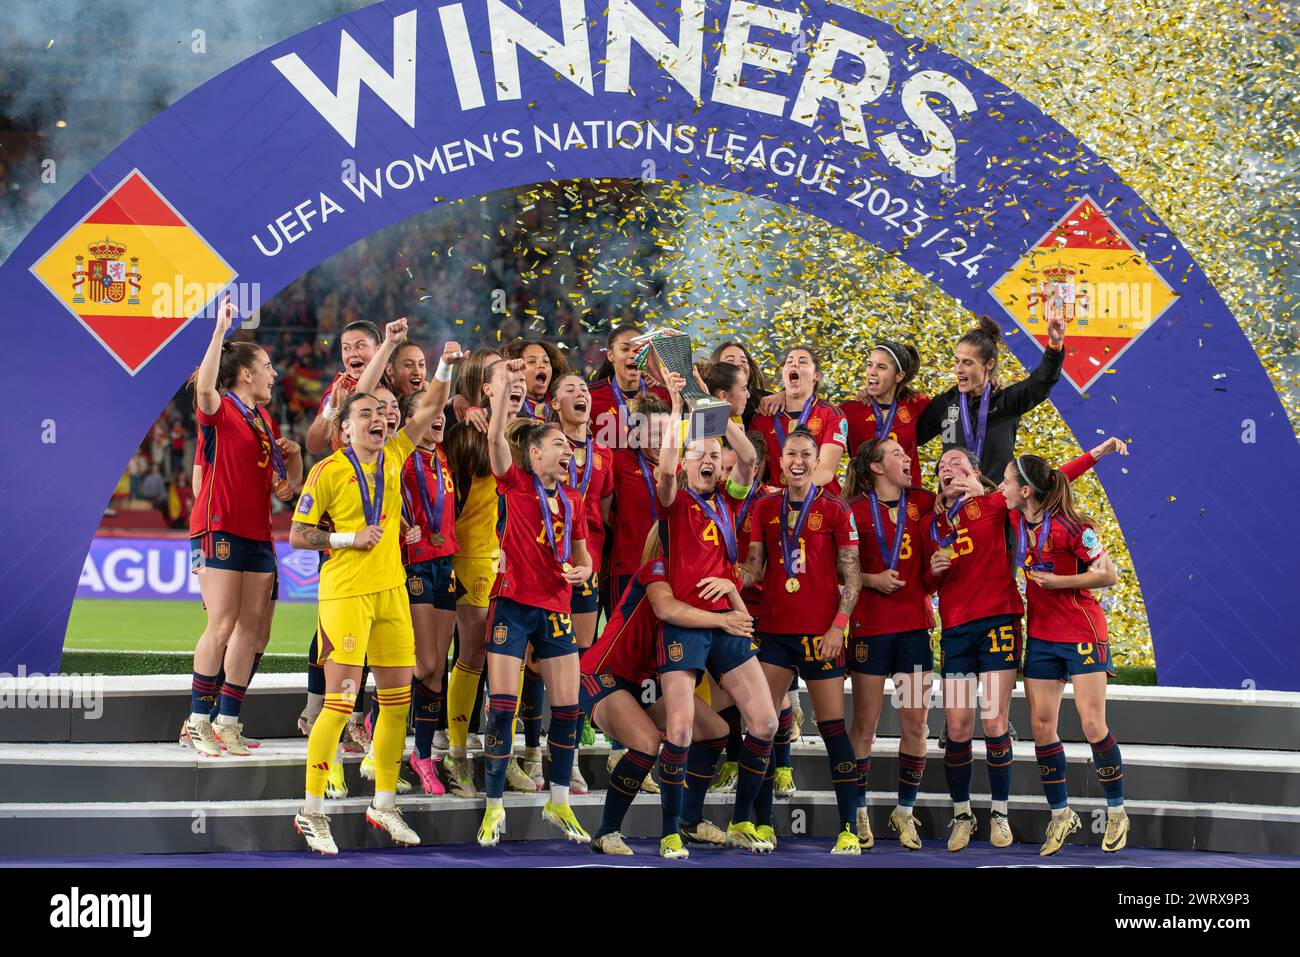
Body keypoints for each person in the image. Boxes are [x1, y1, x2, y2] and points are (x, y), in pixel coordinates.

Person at [288, 340, 459, 854]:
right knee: (339, 707)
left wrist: (447, 364)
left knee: (396, 705)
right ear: (346, 429)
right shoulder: (328, 471)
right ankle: (311, 811)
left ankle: (383, 804)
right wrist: (345, 538)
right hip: (345, 596)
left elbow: (430, 406)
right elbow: (299, 535)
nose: (379, 419)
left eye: (383, 414)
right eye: (366, 414)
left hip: (391, 596)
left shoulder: (394, 455)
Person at [926, 437, 1126, 851]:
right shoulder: (936, 521)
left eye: (957, 461)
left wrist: (1095, 454)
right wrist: (933, 569)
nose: (948, 467)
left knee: (1063, 724)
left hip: (1030, 626)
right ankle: (1019, 815)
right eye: (941, 465)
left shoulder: (1012, 508)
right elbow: (924, 581)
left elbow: (1052, 480)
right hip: (993, 634)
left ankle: (1112, 812)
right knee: (1005, 727)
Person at [653, 370, 778, 856]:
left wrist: (713, 408)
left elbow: (747, 455)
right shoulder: (674, 502)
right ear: (686, 465)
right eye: (698, 456)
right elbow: (664, 469)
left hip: (727, 619)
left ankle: (743, 820)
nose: (708, 461)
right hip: (685, 623)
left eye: (712, 457)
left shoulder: (730, 498)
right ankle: (670, 831)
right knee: (682, 730)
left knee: (765, 724)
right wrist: (680, 408)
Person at [476, 359, 594, 847]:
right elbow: (495, 441)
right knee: (503, 707)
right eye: (559, 446)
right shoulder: (516, 485)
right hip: (512, 604)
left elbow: (584, 557)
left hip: (557, 608)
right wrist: (502, 390)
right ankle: (493, 806)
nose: (568, 452)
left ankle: (559, 801)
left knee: (566, 710)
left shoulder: (574, 500)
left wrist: (582, 571)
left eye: (568, 447)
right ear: (535, 452)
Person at [184, 297, 302, 758]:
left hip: (258, 533)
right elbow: (205, 389)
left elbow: (285, 492)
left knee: (251, 632)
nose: (274, 373)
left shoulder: (264, 420)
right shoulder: (221, 409)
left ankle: (228, 722)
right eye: (267, 366)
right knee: (222, 624)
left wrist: (292, 463)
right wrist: (219, 332)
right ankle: (197, 722)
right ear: (247, 374)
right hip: (219, 528)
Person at [738, 426, 864, 855]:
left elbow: (853, 575)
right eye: (791, 452)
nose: (798, 461)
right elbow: (755, 568)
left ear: (816, 461)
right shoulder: (765, 506)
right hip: (774, 631)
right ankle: (761, 823)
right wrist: (725, 574)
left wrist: (838, 625)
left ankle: (849, 826)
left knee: (833, 730)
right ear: (780, 458)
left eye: (807, 454)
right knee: (763, 727)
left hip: (820, 636)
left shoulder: (835, 508)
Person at [997, 450, 1127, 855]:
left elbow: (1109, 573)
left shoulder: (1073, 528)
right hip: (1041, 636)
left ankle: (1118, 811)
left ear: (1025, 491)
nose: (1000, 488)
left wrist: (1060, 582)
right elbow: (1056, 473)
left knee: (1092, 725)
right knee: (1041, 727)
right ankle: (1061, 815)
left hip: (1082, 631)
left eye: (1005, 482)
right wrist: (1094, 453)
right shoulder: (1017, 517)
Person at [582, 558, 751, 858]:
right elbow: (665, 609)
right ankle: (606, 832)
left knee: (716, 731)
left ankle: (690, 821)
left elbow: (746, 625)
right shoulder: (656, 568)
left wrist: (731, 590)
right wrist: (722, 620)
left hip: (645, 683)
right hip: (604, 673)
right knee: (646, 743)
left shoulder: (698, 586)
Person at [441, 352, 537, 797]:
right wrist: (462, 406)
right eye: (506, 373)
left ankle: (505, 752)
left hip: (520, 564)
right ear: (485, 388)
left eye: (519, 372)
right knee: (474, 655)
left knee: (510, 661)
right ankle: (456, 754)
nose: (518, 377)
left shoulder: (533, 435)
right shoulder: (468, 434)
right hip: (475, 559)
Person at [842, 437, 937, 850]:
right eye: (897, 454)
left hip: (914, 631)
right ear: (877, 468)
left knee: (916, 723)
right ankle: (858, 811)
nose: (907, 458)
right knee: (865, 724)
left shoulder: (925, 503)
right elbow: (835, 572)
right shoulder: (854, 510)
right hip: (870, 629)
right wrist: (870, 580)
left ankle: (905, 811)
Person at [916, 315, 1067, 482]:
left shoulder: (1006, 402)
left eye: (967, 362)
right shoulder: (945, 403)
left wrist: (1054, 346)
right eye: (956, 361)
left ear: (989, 365)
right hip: (954, 503)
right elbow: (912, 437)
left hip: (994, 502)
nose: (958, 369)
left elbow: (1040, 383)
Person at [398, 388, 459, 796]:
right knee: (424, 665)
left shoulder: (444, 458)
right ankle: (376, 721)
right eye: (427, 411)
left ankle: (422, 755)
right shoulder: (398, 457)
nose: (437, 417)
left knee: (438, 669)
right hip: (416, 563)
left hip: (446, 563)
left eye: (439, 411)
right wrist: (403, 528)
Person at [750, 347, 848, 493]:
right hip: (776, 506)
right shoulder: (763, 418)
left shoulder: (831, 414)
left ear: (816, 376)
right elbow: (756, 471)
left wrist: (787, 493)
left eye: (802, 361)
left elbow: (826, 470)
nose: (794, 364)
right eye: (789, 362)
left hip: (822, 504)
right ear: (783, 374)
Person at [840, 340, 930, 476]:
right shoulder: (849, 410)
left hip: (908, 494)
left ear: (899, 376)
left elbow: (953, 408)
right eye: (870, 365)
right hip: (863, 494)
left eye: (881, 367)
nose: (872, 372)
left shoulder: (915, 404)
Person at [305, 320, 382, 455]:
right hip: (353, 471)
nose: (352, 354)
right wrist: (332, 408)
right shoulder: (341, 387)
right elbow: (313, 446)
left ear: (379, 349)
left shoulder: (393, 376)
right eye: (346, 348)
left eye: (360, 346)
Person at [710, 340, 770, 428]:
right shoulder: (700, 404)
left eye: (744, 361)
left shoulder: (763, 399)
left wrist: (783, 395)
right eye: (730, 360)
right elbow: (699, 437)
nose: (739, 364)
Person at [504, 337, 567, 420]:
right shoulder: (506, 405)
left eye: (546, 361)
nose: (541, 365)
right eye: (532, 361)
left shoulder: (562, 406)